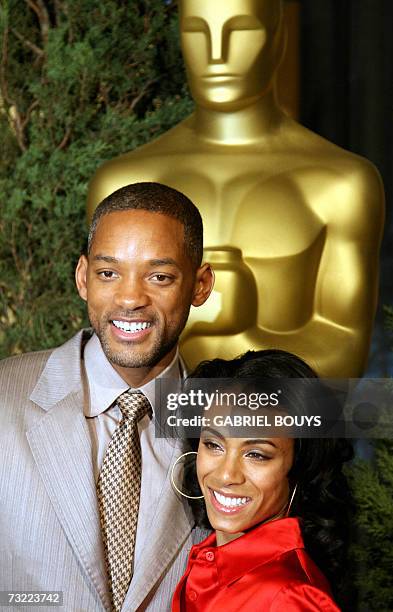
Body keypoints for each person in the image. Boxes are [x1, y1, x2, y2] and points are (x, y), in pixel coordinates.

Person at [86, 0, 384, 378]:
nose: (216, 54)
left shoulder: (340, 183)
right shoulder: (121, 181)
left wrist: (241, 333)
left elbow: (344, 360)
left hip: (278, 432)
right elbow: (105, 350)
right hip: (149, 431)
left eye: (240, 30)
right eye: (197, 32)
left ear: (278, 37)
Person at [0, 182, 214, 611]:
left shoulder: (229, 424)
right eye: (108, 273)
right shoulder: (4, 398)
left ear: (200, 285)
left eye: (159, 276)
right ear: (83, 277)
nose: (130, 298)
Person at [171, 350, 353, 611]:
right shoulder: (208, 562)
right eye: (213, 444)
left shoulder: (291, 598)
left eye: (256, 454)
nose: (226, 475)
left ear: (299, 465)